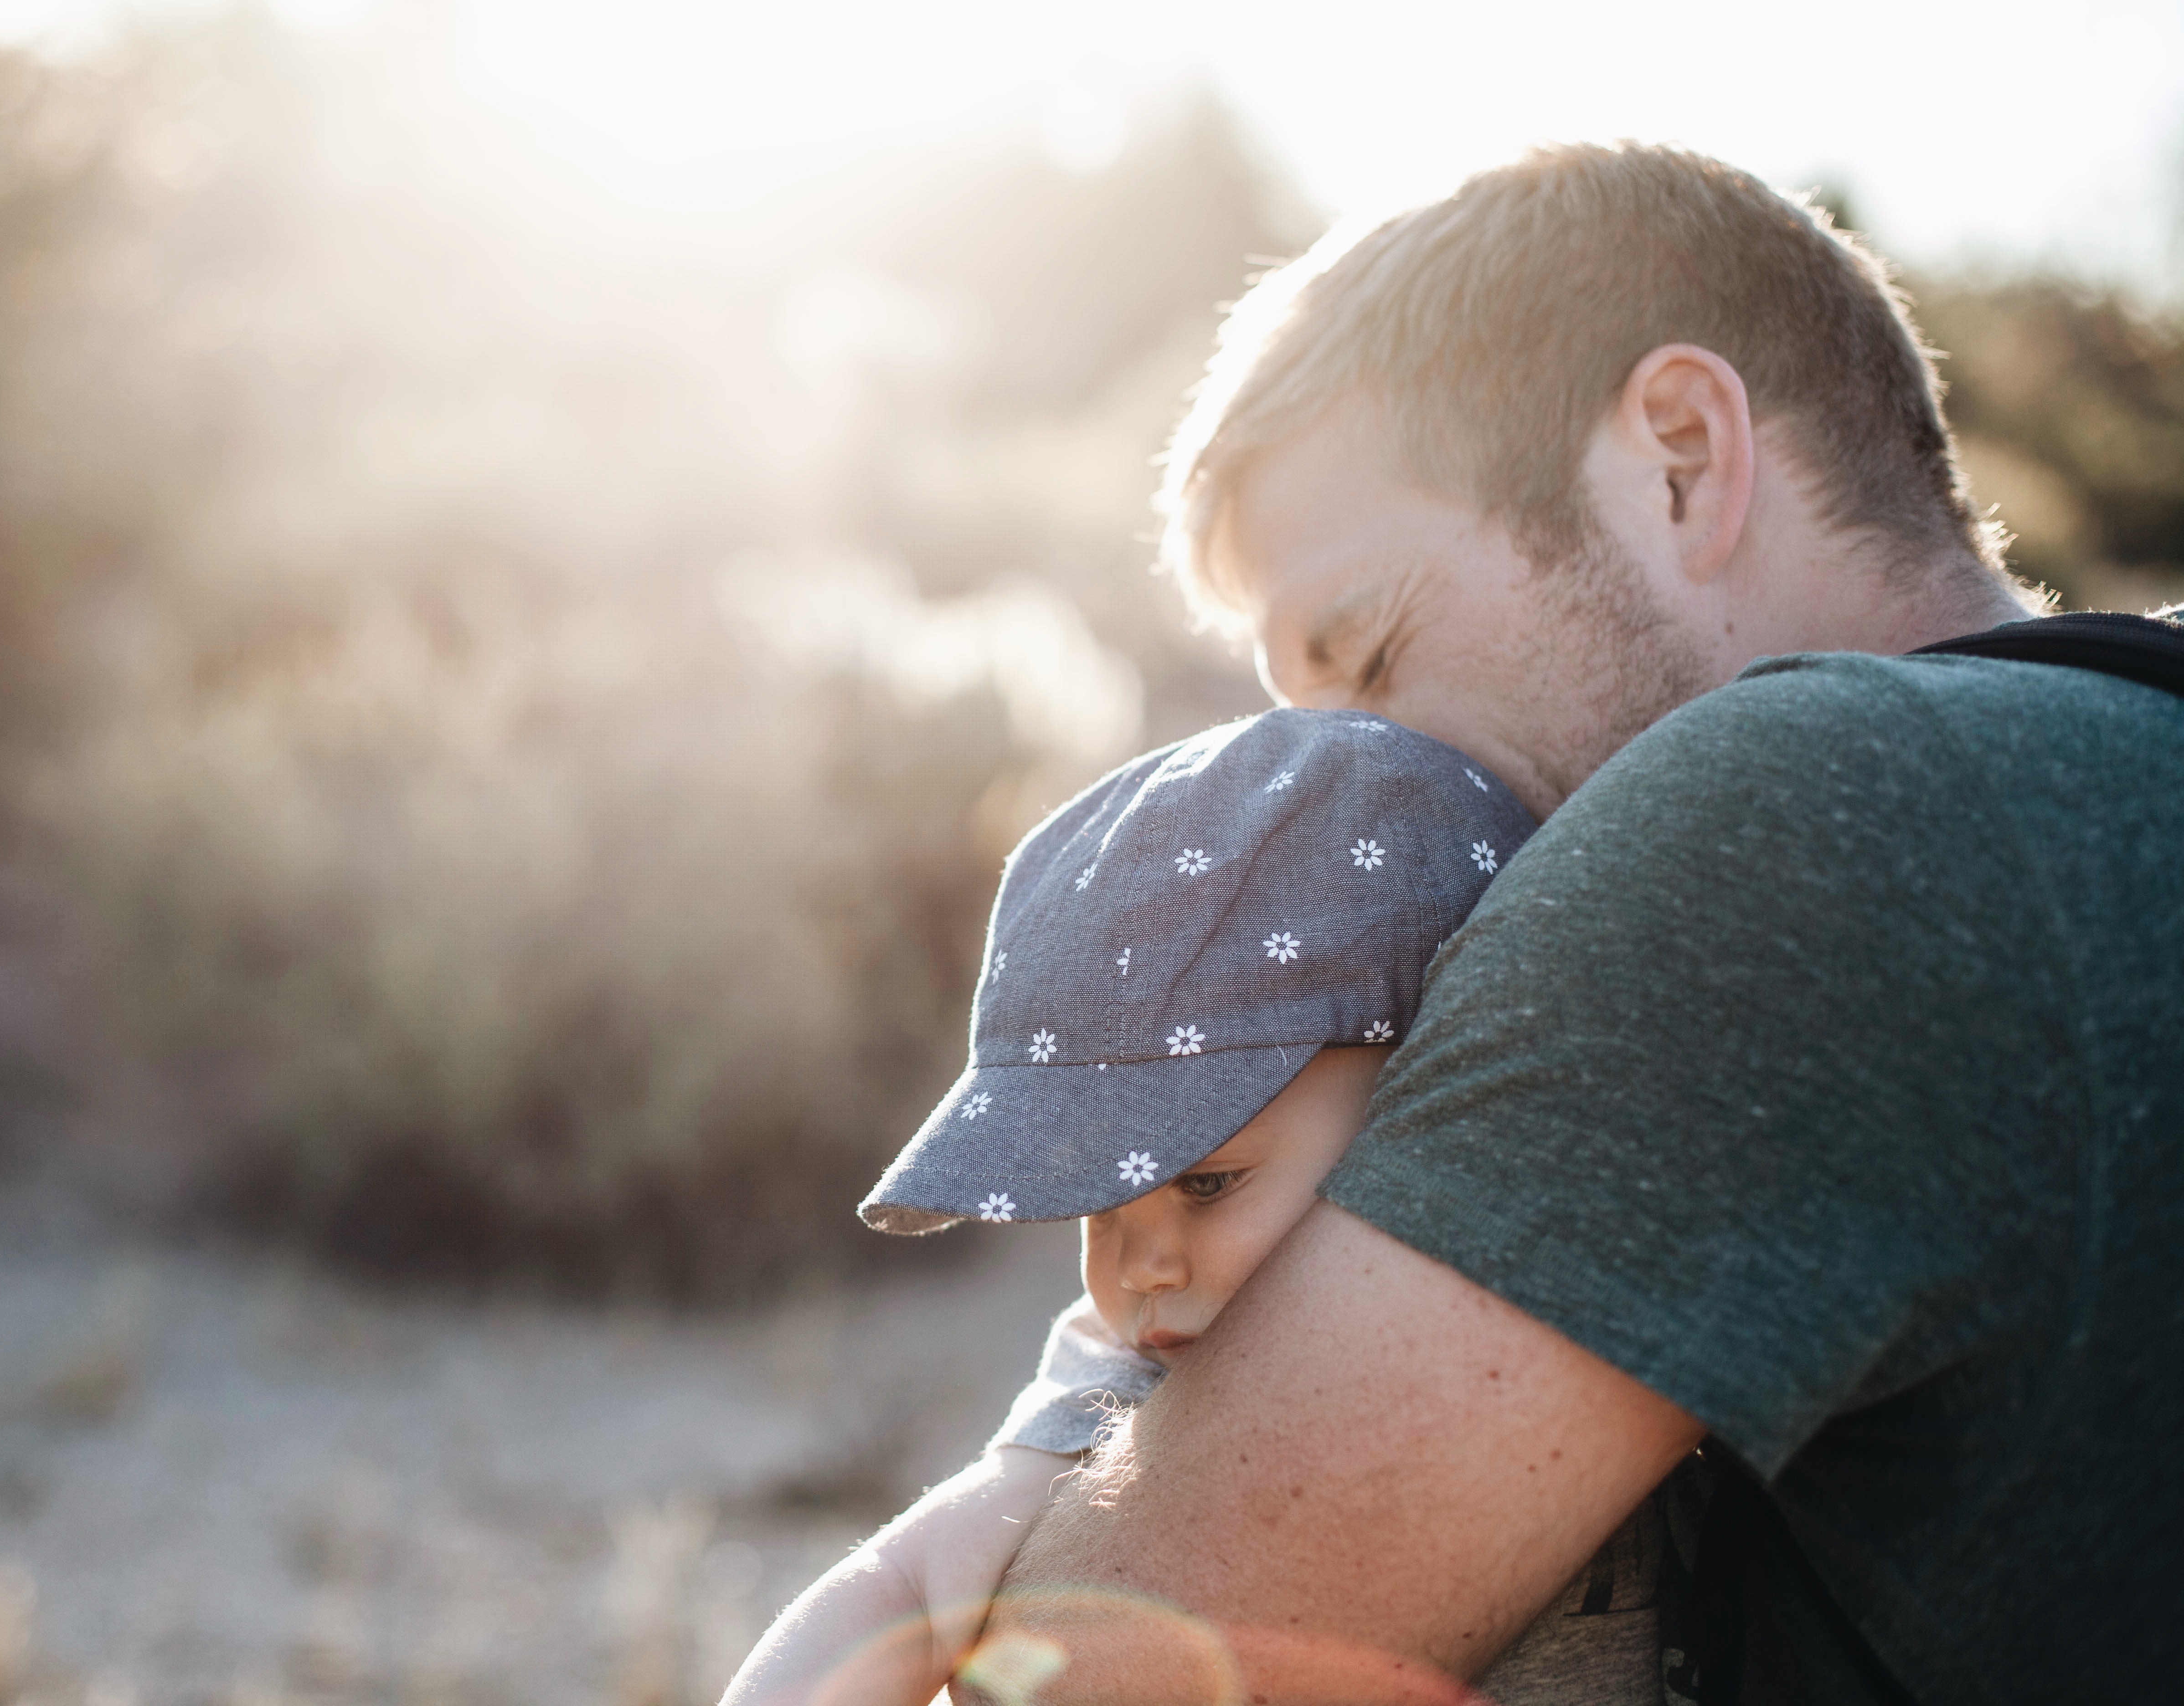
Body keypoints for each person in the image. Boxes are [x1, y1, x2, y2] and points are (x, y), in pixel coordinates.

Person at [965, 143, 2184, 1702]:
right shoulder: (2110, 759)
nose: (1332, 790)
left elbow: (1099, 1680)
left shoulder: (1785, 816)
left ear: (1678, 454)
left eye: (1369, 652)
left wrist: (1005, 1501)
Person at [721, 707, 1639, 1706]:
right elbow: (904, 1583)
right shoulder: (1131, 1380)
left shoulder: (1595, 1263)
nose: (1139, 1267)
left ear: (1429, 1089)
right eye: (1100, 1205)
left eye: (1208, 1184)